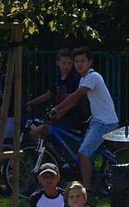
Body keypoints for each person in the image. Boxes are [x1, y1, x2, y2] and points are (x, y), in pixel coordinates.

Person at [49, 46, 119, 193]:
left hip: (105, 122)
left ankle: (87, 189)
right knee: (85, 154)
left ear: (90, 62)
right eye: (76, 61)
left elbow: (75, 96)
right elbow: (74, 101)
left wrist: (56, 108)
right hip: (97, 121)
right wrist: (58, 113)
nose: (79, 64)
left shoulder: (93, 77)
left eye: (82, 61)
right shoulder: (83, 79)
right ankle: (94, 181)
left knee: (84, 153)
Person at [26, 48, 84, 141]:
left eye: (69, 63)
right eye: (63, 63)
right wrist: (30, 103)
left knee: (37, 132)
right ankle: (49, 149)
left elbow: (74, 101)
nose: (66, 66)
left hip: (70, 117)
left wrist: (60, 113)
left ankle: (51, 149)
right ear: (58, 63)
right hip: (58, 114)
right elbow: (49, 93)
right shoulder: (57, 77)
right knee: (35, 133)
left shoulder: (74, 79)